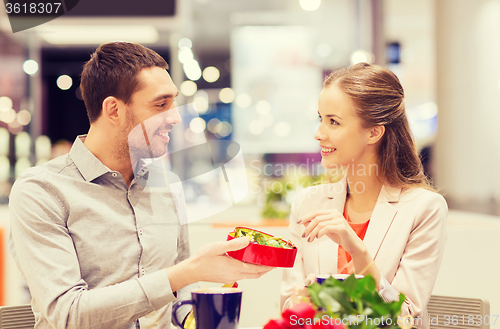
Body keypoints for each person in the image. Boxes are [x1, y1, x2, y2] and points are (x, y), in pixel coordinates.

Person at [9, 42, 272, 329]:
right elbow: (68, 314)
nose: (174, 117)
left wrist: (195, 319)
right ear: (113, 110)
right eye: (161, 104)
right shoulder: (41, 191)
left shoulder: (167, 185)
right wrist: (187, 272)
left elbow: (179, 287)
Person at [281, 63, 447, 329]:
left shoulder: (424, 208)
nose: (319, 133)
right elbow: (289, 307)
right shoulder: (307, 203)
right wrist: (303, 301)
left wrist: (357, 251)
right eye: (320, 119)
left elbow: (405, 318)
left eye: (333, 121)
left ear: (373, 132)